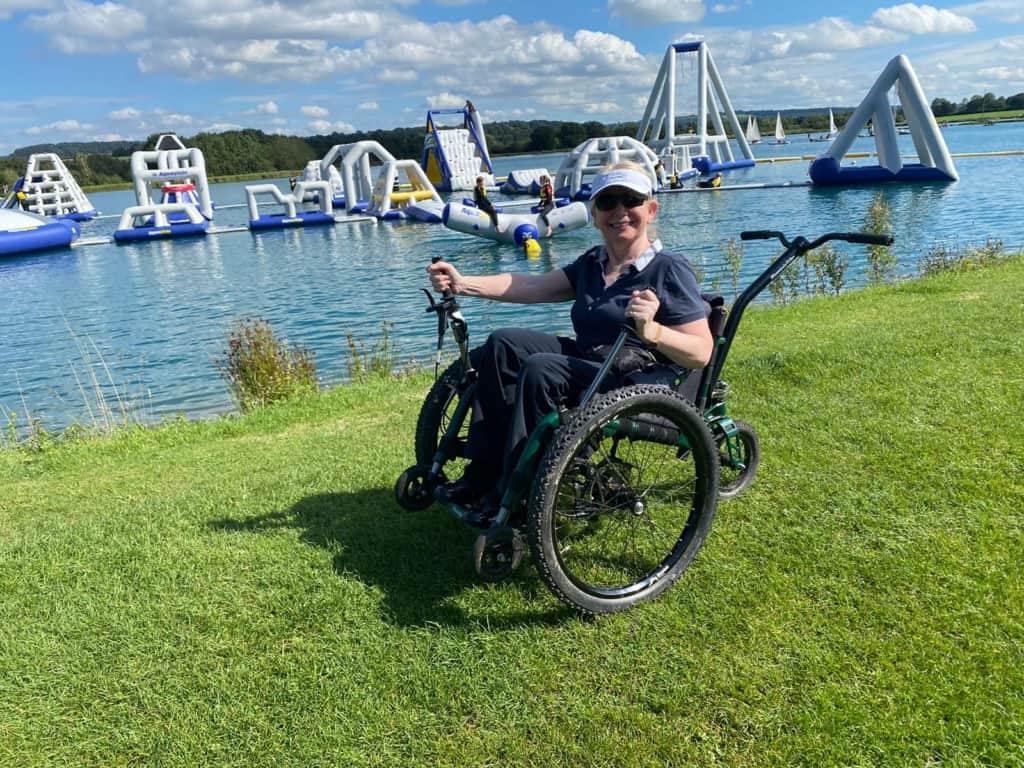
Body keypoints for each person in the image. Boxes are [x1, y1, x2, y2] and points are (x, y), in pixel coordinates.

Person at [427, 160, 713, 525]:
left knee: (540, 368)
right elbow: (529, 286)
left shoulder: (669, 268)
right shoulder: (594, 262)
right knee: (503, 343)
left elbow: (701, 351)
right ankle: (483, 472)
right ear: (595, 215)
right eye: (608, 202)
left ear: (651, 209)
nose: (620, 211)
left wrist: (653, 331)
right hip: (588, 363)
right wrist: (463, 283)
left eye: (631, 200)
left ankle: (516, 491)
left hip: (630, 376)